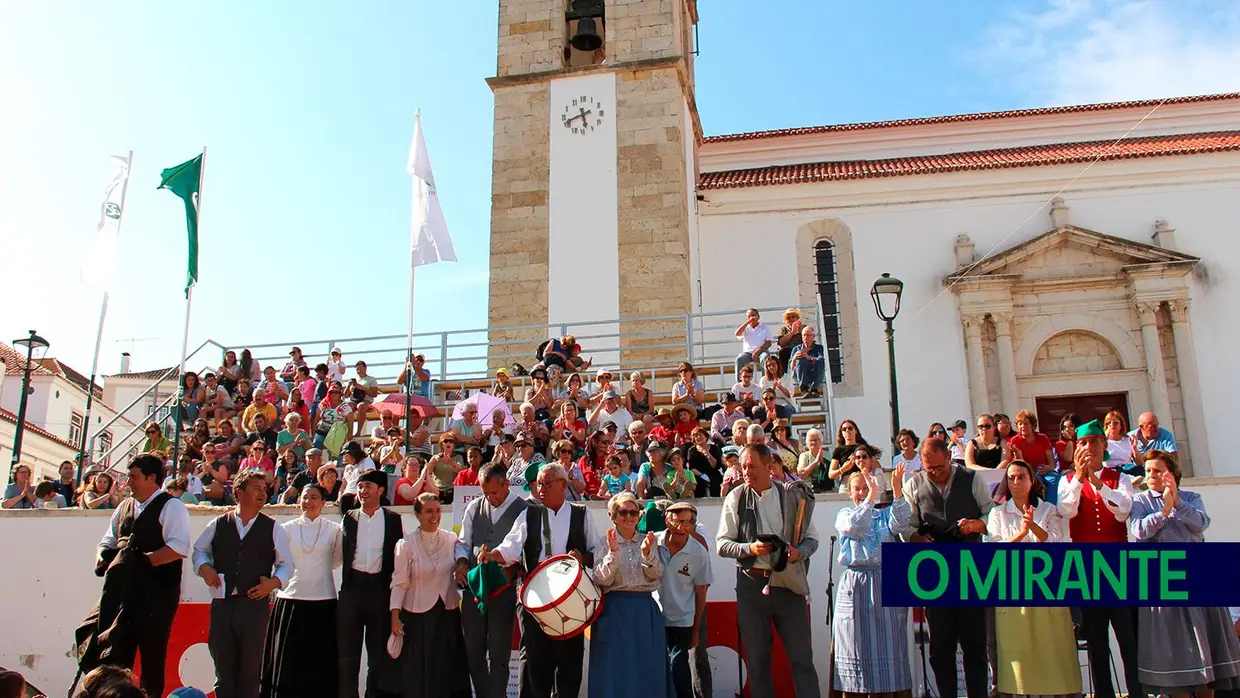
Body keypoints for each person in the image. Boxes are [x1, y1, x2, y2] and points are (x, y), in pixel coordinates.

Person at [480, 463, 602, 698]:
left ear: (563, 485)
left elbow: (598, 551)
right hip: (535, 599)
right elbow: (510, 547)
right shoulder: (529, 514)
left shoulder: (581, 513)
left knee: (570, 662)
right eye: (538, 484)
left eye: (546, 484)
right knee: (535, 661)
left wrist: (583, 556)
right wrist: (492, 555)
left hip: (571, 600)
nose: (540, 489)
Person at [74, 454, 191, 698]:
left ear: (151, 478)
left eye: (134, 477)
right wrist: (103, 557)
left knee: (151, 655)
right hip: (121, 593)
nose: (129, 482)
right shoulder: (125, 506)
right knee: (111, 650)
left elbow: (177, 548)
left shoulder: (172, 506)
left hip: (155, 595)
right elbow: (108, 539)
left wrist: (141, 562)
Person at [1130, 449, 1240, 697]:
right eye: (1148, 471)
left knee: (1206, 654)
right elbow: (1139, 530)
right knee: (1175, 654)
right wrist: (1163, 511)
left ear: (1171, 474)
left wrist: (1177, 502)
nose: (1151, 475)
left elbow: (1200, 525)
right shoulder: (1141, 501)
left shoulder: (1191, 497)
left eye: (1157, 471)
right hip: (1164, 580)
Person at [716, 444, 820, 698]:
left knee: (802, 658)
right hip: (751, 586)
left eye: (752, 466)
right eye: (743, 467)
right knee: (758, 662)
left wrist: (799, 552)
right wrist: (750, 548)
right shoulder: (736, 497)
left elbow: (812, 539)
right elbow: (722, 544)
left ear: (768, 466)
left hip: (788, 585)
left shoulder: (791, 495)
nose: (746, 472)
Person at [903, 437, 994, 698]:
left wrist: (975, 525)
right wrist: (916, 537)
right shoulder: (914, 485)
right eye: (928, 469)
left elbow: (992, 514)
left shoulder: (972, 479)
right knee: (940, 647)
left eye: (939, 468)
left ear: (948, 458)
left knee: (975, 644)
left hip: (971, 569)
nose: (934, 474)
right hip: (934, 572)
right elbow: (906, 525)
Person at [1057, 419, 1140, 698]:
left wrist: (1098, 483)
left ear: (1104, 445)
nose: (1089, 448)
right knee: (1095, 639)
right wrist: (1081, 479)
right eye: (1083, 443)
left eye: (1094, 442)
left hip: (1118, 566)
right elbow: (1066, 510)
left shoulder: (1120, 478)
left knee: (1128, 638)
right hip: (1086, 568)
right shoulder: (1067, 480)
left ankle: (1136, 692)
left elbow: (1123, 510)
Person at [192, 470, 293, 698]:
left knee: (250, 673)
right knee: (223, 672)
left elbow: (287, 565)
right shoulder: (218, 524)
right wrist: (205, 567)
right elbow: (199, 552)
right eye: (256, 488)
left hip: (254, 608)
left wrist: (274, 583)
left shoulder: (273, 527)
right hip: (223, 606)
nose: (262, 493)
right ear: (239, 492)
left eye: (264, 489)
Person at [987, 460, 1080, 698]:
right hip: (1014, 589)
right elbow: (993, 550)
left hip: (1047, 587)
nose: (1016, 482)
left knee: (1052, 650)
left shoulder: (1048, 509)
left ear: (1031, 481)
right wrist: (1021, 534)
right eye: (1011, 478)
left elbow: (1058, 544)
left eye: (1021, 477)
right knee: (1018, 654)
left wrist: (1034, 528)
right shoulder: (997, 513)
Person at [833, 464, 912, 697]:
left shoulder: (885, 515)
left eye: (865, 488)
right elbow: (855, 527)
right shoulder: (844, 515)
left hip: (884, 581)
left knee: (888, 649)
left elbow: (901, 523)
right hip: (855, 584)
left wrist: (897, 490)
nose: (861, 493)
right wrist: (869, 498)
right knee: (854, 650)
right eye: (857, 489)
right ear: (849, 492)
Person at [259, 484, 342, 698]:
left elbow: (336, 561)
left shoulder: (334, 529)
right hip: (291, 599)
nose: (309, 502)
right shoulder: (285, 529)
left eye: (315, 497)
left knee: (320, 663)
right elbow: (279, 562)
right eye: (305, 497)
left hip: (323, 600)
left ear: (323, 502)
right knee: (287, 662)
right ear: (299, 501)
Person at [589, 492, 674, 698]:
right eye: (623, 512)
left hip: (644, 610)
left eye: (633, 512)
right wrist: (613, 553)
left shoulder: (649, 541)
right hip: (613, 611)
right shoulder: (603, 543)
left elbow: (657, 575)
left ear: (639, 515)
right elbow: (601, 580)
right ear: (613, 515)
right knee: (614, 666)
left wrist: (646, 555)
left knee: (647, 665)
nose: (628, 517)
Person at [455, 464, 528, 698]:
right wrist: (462, 564)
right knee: (473, 650)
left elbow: (520, 550)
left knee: (499, 653)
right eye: (485, 493)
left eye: (494, 492)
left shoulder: (523, 509)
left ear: (506, 484)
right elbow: (463, 542)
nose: (490, 498)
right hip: (474, 587)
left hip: (503, 588)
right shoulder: (474, 507)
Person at [387, 493, 467, 698]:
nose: (435, 515)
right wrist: (394, 616)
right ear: (417, 514)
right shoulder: (405, 544)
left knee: (446, 668)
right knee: (418, 672)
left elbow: (462, 563)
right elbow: (399, 582)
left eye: (438, 510)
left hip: (447, 614)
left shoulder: (451, 539)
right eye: (429, 511)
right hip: (417, 617)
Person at [338, 470, 404, 698]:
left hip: (379, 590)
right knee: (347, 656)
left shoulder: (393, 520)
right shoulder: (349, 517)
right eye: (360, 486)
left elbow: (397, 560)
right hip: (352, 590)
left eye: (368, 486)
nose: (363, 491)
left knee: (377, 657)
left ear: (380, 490)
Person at [655, 501, 713, 698]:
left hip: (682, 620)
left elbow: (701, 593)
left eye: (687, 523)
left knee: (677, 666)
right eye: (677, 521)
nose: (681, 528)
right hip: (654, 618)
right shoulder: (651, 543)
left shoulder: (699, 552)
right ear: (667, 521)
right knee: (655, 667)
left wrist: (696, 630)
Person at [1008, 410, 1056, 500]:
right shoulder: (1015, 440)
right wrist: (1017, 453)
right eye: (1020, 424)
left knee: (1053, 480)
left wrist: (1049, 467)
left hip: (1044, 469)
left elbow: (1051, 460)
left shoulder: (1043, 438)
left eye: (1026, 423)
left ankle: (1051, 507)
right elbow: (1021, 464)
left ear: (1032, 425)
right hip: (1028, 470)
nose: (1023, 426)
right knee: (1036, 483)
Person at [733, 308, 774, 380]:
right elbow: (737, 333)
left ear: (758, 317)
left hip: (762, 351)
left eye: (754, 315)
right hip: (748, 353)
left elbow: (769, 342)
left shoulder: (764, 327)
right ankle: (739, 383)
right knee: (739, 359)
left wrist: (758, 350)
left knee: (765, 358)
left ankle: (766, 380)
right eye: (749, 316)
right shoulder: (745, 328)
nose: (752, 317)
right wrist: (747, 322)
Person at [683, 427, 723, 497]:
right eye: (695, 436)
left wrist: (708, 454)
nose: (698, 437)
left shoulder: (714, 448)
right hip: (699, 474)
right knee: (698, 481)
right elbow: (692, 468)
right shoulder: (692, 450)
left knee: (717, 480)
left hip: (713, 473)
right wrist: (702, 475)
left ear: (705, 436)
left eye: (700, 434)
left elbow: (716, 465)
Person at [826, 420, 868, 484]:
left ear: (855, 431)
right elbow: (831, 475)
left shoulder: (864, 448)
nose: (847, 431)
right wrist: (843, 469)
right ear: (841, 433)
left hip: (862, 483)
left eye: (850, 428)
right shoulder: (839, 450)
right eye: (844, 429)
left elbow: (875, 466)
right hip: (846, 483)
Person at [789, 325, 826, 397]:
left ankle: (814, 389)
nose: (806, 337)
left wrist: (808, 357)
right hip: (800, 374)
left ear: (813, 336)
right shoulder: (796, 349)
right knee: (800, 361)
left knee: (820, 362)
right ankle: (803, 389)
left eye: (808, 335)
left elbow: (821, 360)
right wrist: (794, 358)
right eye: (804, 335)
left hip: (814, 373)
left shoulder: (819, 348)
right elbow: (791, 367)